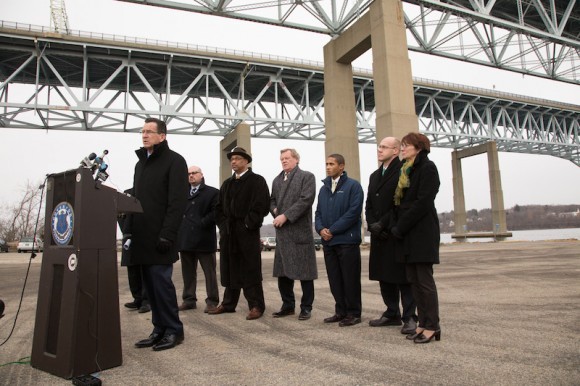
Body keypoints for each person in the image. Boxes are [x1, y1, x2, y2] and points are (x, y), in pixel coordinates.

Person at [128, 117, 189, 351]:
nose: (144, 135)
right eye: (142, 131)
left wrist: (168, 234)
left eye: (149, 132)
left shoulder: (175, 161)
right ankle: (158, 329)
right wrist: (130, 231)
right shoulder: (140, 164)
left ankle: (174, 330)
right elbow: (135, 199)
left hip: (161, 237)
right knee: (150, 288)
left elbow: (177, 201)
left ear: (162, 136)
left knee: (162, 285)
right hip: (142, 236)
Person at [391, 132, 441, 344]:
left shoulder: (428, 168)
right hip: (408, 235)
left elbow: (423, 203)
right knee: (413, 280)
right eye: (402, 146)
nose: (402, 149)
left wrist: (400, 225)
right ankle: (422, 323)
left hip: (421, 233)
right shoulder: (406, 170)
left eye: (406, 146)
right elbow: (400, 203)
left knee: (424, 281)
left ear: (418, 147)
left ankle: (433, 326)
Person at [209, 147, 270, 320]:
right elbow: (218, 208)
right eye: (232, 159)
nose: (233, 161)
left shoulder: (257, 181)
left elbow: (261, 206)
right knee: (230, 269)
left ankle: (256, 305)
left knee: (250, 269)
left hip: (247, 234)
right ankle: (228, 304)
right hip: (229, 234)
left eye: (237, 158)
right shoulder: (227, 184)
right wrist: (222, 225)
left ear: (246, 161)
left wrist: (247, 224)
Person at [366, 137, 417, 334]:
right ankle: (391, 312)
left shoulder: (403, 170)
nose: (379, 150)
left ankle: (410, 316)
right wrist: (371, 224)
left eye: (384, 147)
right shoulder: (374, 175)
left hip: (395, 232)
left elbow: (401, 202)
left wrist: (384, 224)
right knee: (383, 275)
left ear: (396, 151)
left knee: (402, 277)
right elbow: (369, 203)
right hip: (379, 234)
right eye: (379, 147)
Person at [315, 154, 364, 327]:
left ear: (341, 166)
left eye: (332, 164)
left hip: (347, 241)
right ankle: (340, 311)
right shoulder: (323, 189)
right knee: (335, 279)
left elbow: (353, 212)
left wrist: (332, 230)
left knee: (350, 279)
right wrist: (321, 229)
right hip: (329, 243)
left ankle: (353, 313)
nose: (328, 167)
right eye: (326, 164)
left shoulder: (353, 186)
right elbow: (318, 213)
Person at [270, 148, 317, 321]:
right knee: (283, 274)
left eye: (287, 158)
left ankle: (306, 307)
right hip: (282, 234)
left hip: (299, 232)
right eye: (282, 158)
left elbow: (306, 200)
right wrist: (274, 211)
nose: (284, 161)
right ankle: (288, 305)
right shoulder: (276, 180)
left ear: (296, 159)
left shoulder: (307, 177)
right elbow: (272, 200)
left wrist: (286, 216)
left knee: (305, 273)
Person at [176, 166, 220, 313]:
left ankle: (212, 301)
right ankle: (189, 300)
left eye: (194, 173)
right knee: (188, 273)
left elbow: (216, 212)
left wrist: (202, 223)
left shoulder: (212, 193)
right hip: (185, 239)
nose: (191, 176)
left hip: (204, 239)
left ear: (201, 175)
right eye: (188, 174)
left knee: (210, 273)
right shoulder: (181, 193)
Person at [118, 199, 150, 314]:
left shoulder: (142, 198)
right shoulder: (125, 198)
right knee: (132, 271)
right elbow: (122, 222)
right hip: (128, 239)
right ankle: (137, 298)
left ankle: (146, 300)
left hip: (142, 237)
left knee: (143, 271)